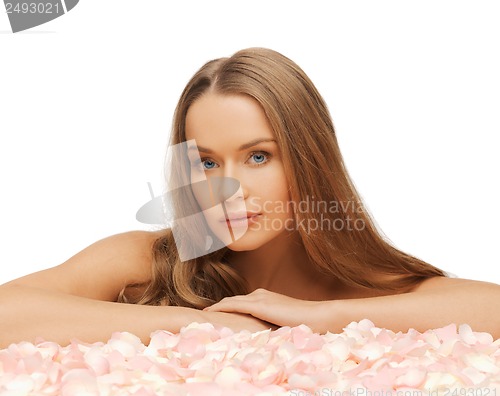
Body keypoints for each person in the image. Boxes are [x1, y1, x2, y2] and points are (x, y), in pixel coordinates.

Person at [1, 48, 499, 349]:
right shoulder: (146, 260)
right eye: (208, 163)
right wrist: (200, 327)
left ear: (309, 161)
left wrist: (320, 317)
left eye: (259, 157)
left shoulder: (364, 290)